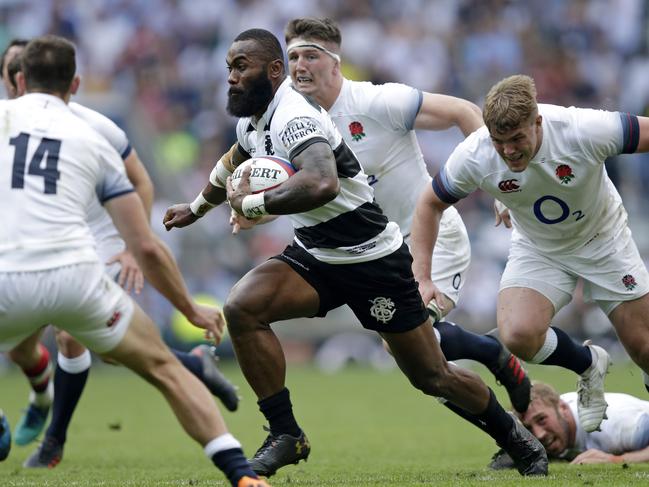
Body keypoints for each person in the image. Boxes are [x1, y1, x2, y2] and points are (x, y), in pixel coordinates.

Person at [164, 28, 548, 478]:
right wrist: (196, 208)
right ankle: (285, 432)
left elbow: (321, 181)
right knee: (243, 307)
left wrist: (253, 203)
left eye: (241, 67)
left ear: (272, 71)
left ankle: (517, 440)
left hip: (371, 258)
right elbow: (233, 158)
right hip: (317, 253)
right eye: (229, 67)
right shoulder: (254, 117)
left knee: (432, 376)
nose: (231, 77)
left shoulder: (295, 115)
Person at [0, 35, 267, 487]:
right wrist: (190, 308)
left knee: (64, 342)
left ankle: (47, 430)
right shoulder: (93, 137)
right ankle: (241, 475)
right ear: (76, 84)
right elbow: (145, 245)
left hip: (6, 277)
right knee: (162, 367)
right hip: (74, 278)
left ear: (19, 80)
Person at [277, 17, 530, 413]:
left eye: (311, 55)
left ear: (335, 63)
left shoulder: (376, 102)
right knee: (409, 353)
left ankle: (505, 386)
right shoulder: (292, 121)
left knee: (417, 349)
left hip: (428, 239)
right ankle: (494, 360)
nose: (299, 66)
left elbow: (464, 111)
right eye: (293, 56)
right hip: (373, 251)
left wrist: (497, 184)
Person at [410, 74, 649, 434]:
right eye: (499, 141)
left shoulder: (582, 128)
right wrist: (423, 278)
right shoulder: (475, 153)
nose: (508, 151)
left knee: (644, 349)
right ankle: (587, 364)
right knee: (517, 335)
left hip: (603, 239)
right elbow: (429, 204)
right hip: (538, 247)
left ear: (538, 122)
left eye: (517, 139)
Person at [489, 381, 649, 467]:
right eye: (529, 428)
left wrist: (614, 460)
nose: (539, 434)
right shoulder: (554, 413)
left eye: (542, 420)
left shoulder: (613, 423)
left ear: (563, 408)